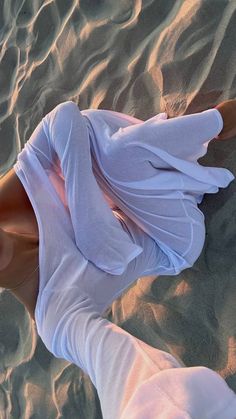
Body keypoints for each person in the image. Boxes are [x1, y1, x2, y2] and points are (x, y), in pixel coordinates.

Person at [1, 99, 236, 418]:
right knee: (117, 150)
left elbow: (64, 117)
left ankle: (218, 122)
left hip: (127, 190)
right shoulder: (56, 319)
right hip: (170, 240)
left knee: (112, 147)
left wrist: (93, 234)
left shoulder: (6, 202)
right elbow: (120, 365)